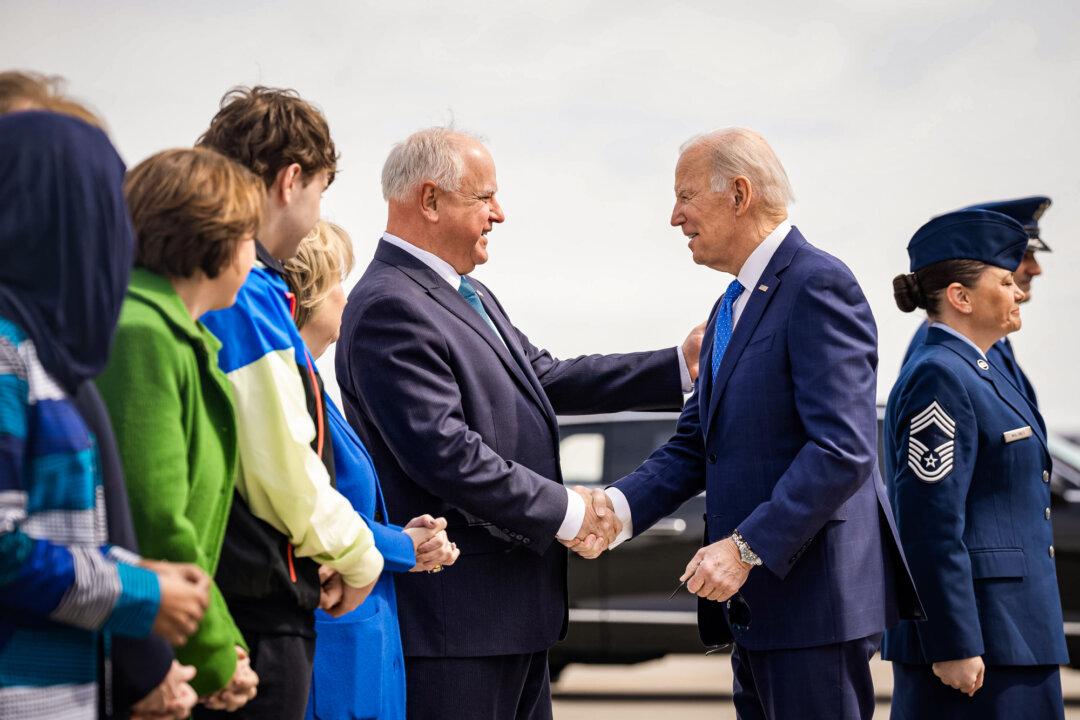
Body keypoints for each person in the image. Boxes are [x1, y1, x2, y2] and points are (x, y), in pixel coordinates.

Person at [336, 127, 701, 720]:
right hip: (458, 627)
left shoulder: (465, 292)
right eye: (484, 197)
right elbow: (447, 453)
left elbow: (546, 378)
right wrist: (573, 513)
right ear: (430, 201)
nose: (499, 214)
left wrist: (674, 365)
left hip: (510, 619)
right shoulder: (390, 306)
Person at [598, 128, 920, 720]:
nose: (675, 217)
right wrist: (614, 511)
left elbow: (843, 450)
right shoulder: (729, 306)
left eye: (687, 196)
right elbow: (696, 444)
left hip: (811, 607)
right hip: (754, 609)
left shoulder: (819, 284)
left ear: (739, 194)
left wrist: (746, 548)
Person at [0, 69, 197, 720]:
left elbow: (48, 532)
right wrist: (139, 591)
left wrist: (140, 573)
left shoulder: (35, 354)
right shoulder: (5, 352)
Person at [193, 87, 384, 720]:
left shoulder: (230, 283)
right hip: (255, 605)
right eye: (321, 191)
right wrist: (353, 557)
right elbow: (278, 462)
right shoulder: (246, 290)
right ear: (291, 180)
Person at [96, 148, 268, 712]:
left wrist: (226, 648)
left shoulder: (170, 334)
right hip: (138, 652)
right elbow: (156, 522)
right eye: (249, 236)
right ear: (213, 237)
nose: (255, 254)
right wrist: (218, 656)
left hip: (162, 641)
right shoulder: (143, 335)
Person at [883, 209, 1068, 719]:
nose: (1019, 292)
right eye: (1006, 281)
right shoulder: (939, 375)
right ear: (961, 298)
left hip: (1016, 634)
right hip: (979, 644)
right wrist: (951, 641)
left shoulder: (981, 369)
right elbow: (928, 524)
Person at [279, 220, 459, 720]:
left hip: (361, 634)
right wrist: (406, 547)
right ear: (311, 293)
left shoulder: (312, 381)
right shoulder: (293, 386)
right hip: (335, 643)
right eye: (338, 280)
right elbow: (307, 514)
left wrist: (401, 536)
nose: (346, 296)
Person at [901, 196, 1051, 408]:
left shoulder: (988, 342)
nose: (1036, 270)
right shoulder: (942, 360)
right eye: (1021, 257)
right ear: (961, 295)